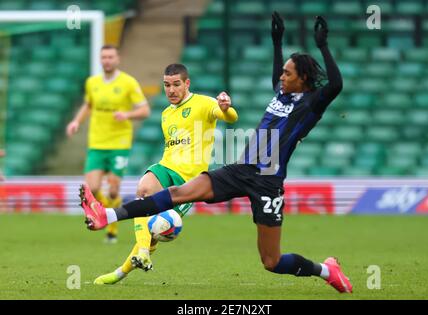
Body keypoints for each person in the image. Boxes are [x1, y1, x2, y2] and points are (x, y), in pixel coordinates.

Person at [80, 14, 352, 293]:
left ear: (303, 79)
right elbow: (276, 75)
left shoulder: (311, 104)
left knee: (271, 261)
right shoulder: (280, 93)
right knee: (177, 193)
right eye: (282, 72)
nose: (281, 77)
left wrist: (323, 46)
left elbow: (336, 85)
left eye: (288, 74)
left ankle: (327, 270)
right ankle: (107, 216)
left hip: (268, 181)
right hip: (240, 169)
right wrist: (277, 41)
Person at [92, 63, 238, 284]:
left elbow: (230, 118)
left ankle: (122, 271)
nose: (171, 90)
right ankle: (142, 251)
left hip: (191, 181)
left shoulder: (204, 103)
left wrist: (226, 107)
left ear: (187, 83)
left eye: (176, 84)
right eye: (166, 85)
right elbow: (171, 147)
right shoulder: (166, 114)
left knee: (153, 235)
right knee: (143, 189)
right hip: (167, 167)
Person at [66, 44, 150, 244]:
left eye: (110, 57)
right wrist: (76, 121)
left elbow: (145, 110)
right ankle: (103, 212)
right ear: (100, 59)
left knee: (113, 190)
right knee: (93, 188)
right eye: (104, 57)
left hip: (119, 143)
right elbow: (88, 104)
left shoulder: (128, 83)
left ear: (117, 59)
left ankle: (111, 228)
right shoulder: (92, 83)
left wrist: (127, 114)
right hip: (96, 143)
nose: (107, 60)